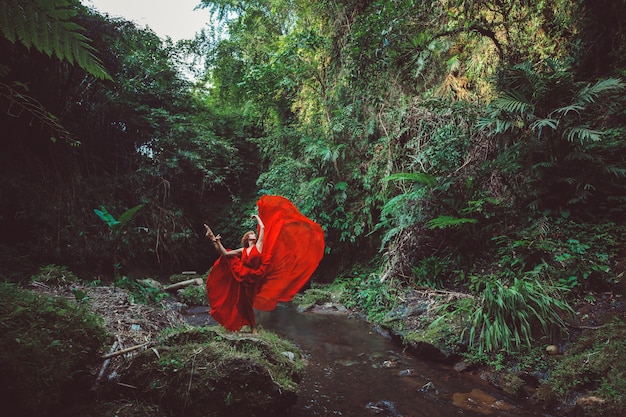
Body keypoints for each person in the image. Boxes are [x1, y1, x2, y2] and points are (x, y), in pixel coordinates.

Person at [204, 195, 325, 332]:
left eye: (253, 234)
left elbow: (262, 228)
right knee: (240, 300)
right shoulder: (243, 250)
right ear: (247, 238)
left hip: (254, 278)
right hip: (242, 276)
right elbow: (225, 254)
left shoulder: (259, 246)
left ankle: (252, 328)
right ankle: (212, 237)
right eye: (251, 234)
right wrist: (217, 241)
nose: (253, 235)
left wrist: (257, 217)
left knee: (248, 303)